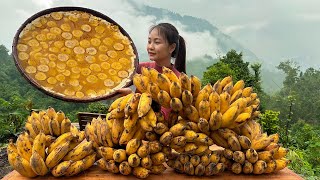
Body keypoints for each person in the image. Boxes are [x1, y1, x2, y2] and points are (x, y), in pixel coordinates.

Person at [117, 22, 187, 120]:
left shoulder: (178, 81)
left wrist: (132, 98)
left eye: (157, 42)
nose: (150, 47)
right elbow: (116, 82)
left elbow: (163, 117)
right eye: (149, 41)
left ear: (172, 47)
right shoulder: (141, 68)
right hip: (131, 128)